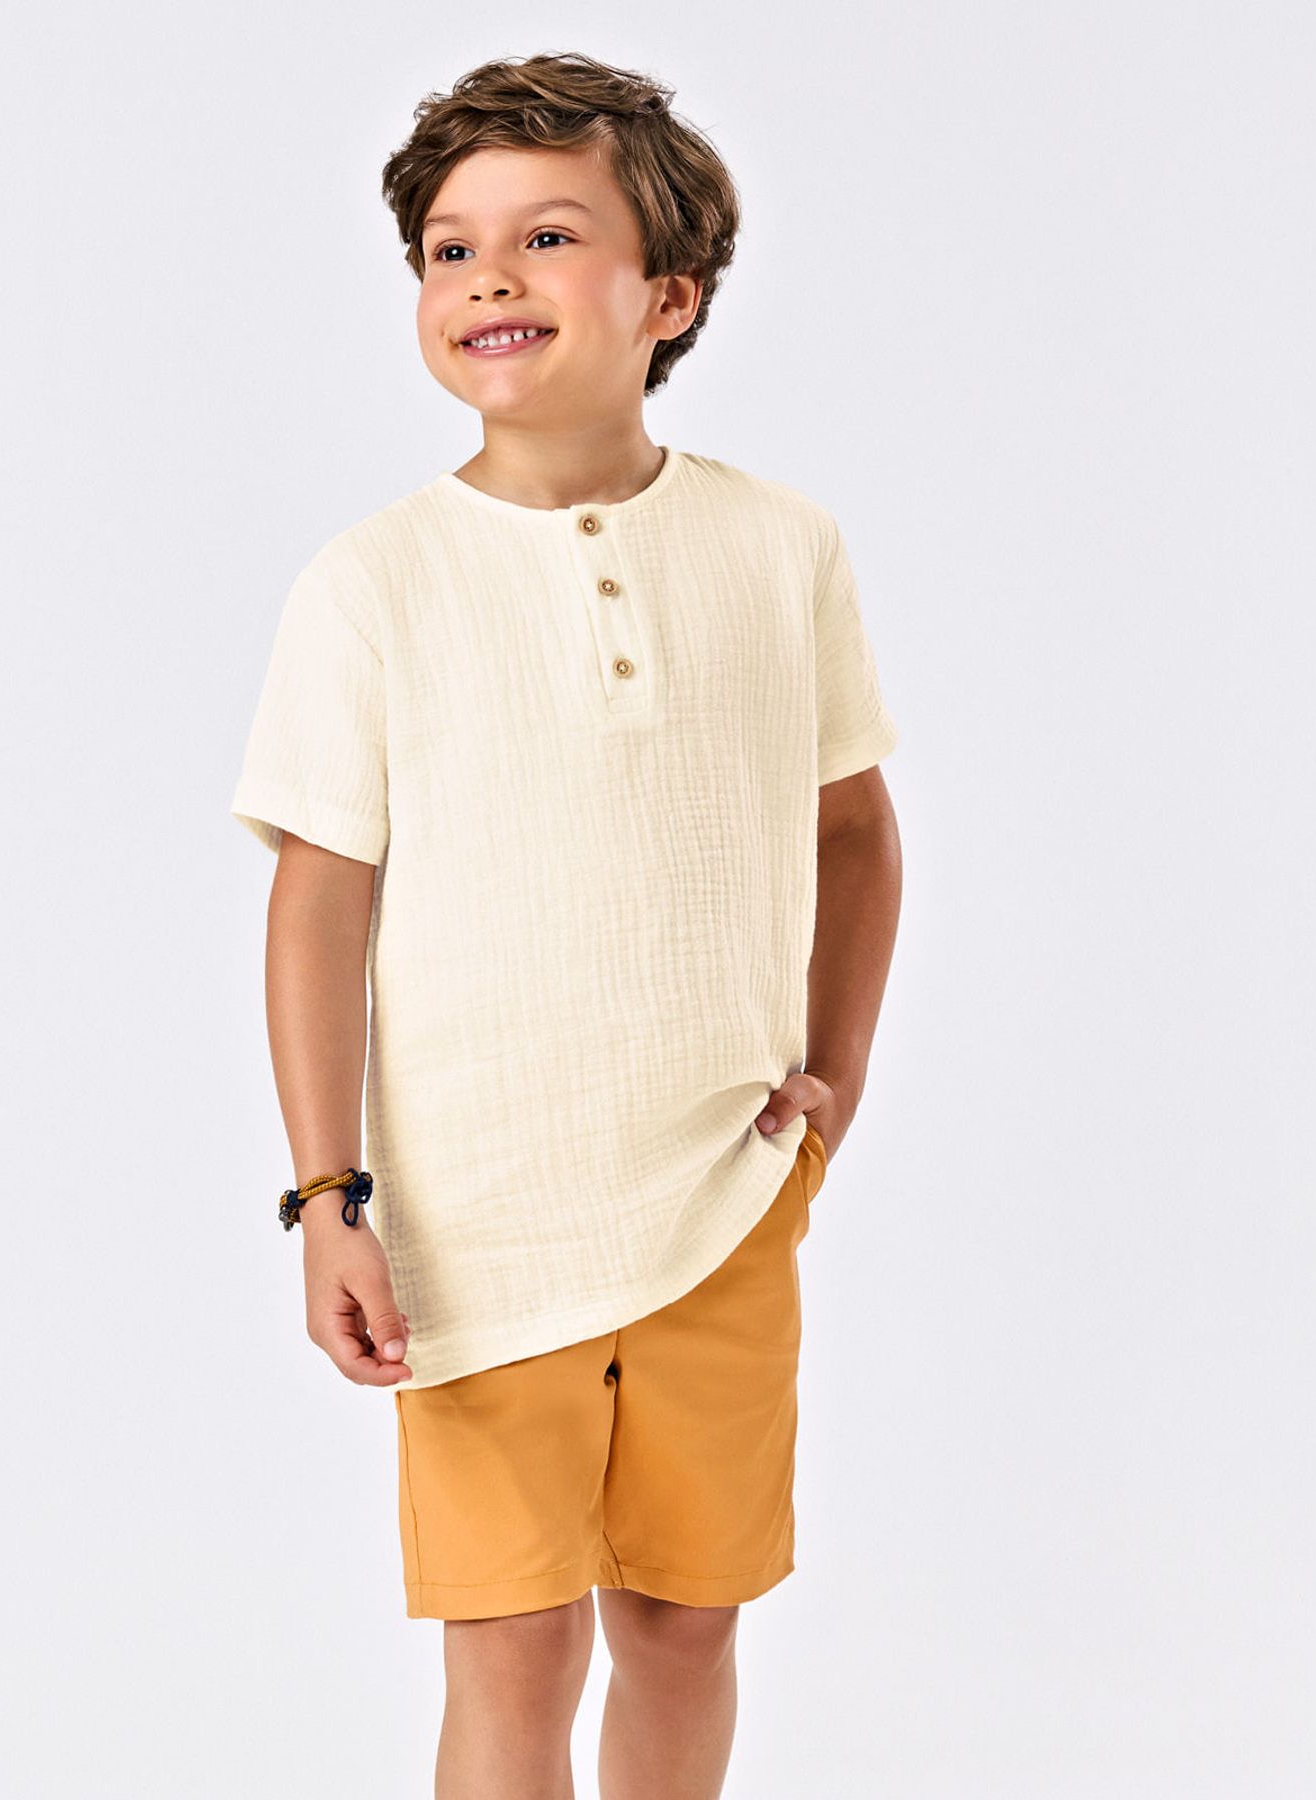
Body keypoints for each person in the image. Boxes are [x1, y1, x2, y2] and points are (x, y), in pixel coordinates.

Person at [229, 50, 904, 1800]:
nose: (488, 279)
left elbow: (851, 830)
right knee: (512, 1642)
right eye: (449, 251)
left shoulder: (782, 547)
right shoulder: (373, 584)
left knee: (684, 1625)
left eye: (546, 235)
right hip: (476, 1224)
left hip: (725, 1197)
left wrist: (831, 1083)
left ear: (670, 294)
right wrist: (326, 1195)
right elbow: (318, 901)